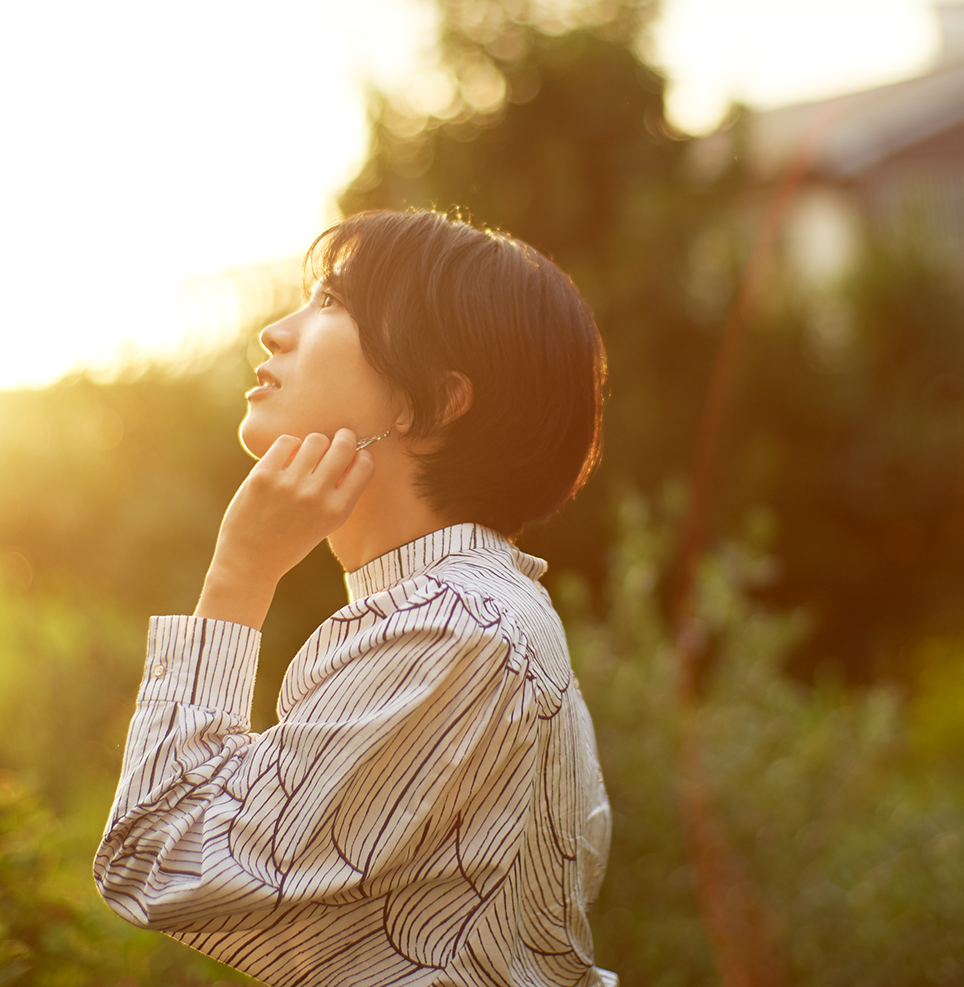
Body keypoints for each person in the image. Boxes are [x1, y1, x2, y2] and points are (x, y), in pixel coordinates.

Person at [93, 209, 617, 987]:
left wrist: (238, 577)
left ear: (431, 404)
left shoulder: (454, 634)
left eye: (333, 304)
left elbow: (156, 858)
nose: (276, 330)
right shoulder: (454, 613)